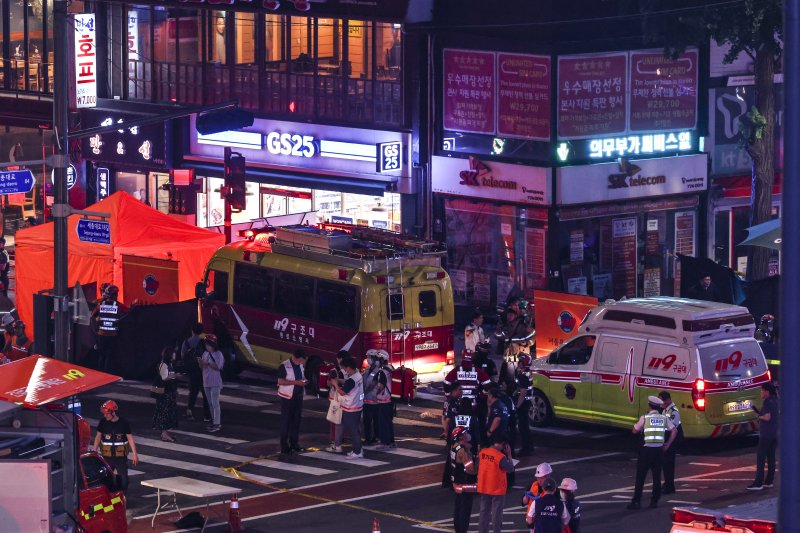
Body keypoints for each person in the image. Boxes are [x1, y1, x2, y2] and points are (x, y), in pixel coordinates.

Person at [627, 395, 677, 509]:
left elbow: (634, 431)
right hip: (659, 451)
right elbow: (674, 430)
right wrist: (668, 444)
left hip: (646, 451)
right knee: (657, 477)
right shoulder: (664, 418)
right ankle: (654, 501)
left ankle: (637, 501)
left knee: (640, 477)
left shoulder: (645, 418)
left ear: (649, 406)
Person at [93, 400, 138, 493]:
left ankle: (123, 498)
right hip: (106, 457)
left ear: (113, 412)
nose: (105, 416)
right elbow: (98, 436)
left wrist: (135, 454)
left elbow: (130, 437)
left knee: (123, 481)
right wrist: (94, 450)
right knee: (106, 480)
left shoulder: (123, 423)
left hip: (120, 458)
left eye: (107, 414)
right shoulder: (103, 422)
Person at [477, 433, 515, 533]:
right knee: (496, 514)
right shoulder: (500, 457)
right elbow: (510, 469)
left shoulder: (482, 452)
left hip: (484, 487)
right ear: (503, 444)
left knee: (484, 513)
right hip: (497, 489)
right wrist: (509, 454)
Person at [748, 382, 779, 490]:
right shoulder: (776, 400)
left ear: (767, 392)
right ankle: (769, 481)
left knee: (760, 458)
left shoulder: (767, 402)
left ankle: (758, 483)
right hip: (774, 433)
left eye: (762, 390)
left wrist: (758, 416)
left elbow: (767, 417)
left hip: (766, 434)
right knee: (771, 458)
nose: (761, 392)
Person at [91, 284, 128, 373]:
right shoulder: (118, 305)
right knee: (109, 356)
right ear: (115, 294)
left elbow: (92, 316)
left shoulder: (100, 304)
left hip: (101, 334)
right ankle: (108, 375)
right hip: (112, 335)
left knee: (101, 356)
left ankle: (100, 374)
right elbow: (127, 314)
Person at [278, 349, 307, 454]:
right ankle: (284, 446)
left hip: (298, 396)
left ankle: (294, 443)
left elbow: (301, 376)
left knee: (296, 421)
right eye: (301, 360)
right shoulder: (284, 366)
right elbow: (280, 381)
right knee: (286, 421)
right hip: (287, 397)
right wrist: (296, 383)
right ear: (296, 358)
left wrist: (303, 381)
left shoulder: (300, 365)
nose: (302, 363)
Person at [335, 357, 365, 459]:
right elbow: (348, 383)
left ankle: (357, 452)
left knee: (352, 430)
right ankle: (358, 449)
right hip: (357, 406)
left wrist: (335, 385)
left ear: (348, 367)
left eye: (345, 368)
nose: (345, 371)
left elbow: (343, 392)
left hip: (350, 408)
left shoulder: (352, 380)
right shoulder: (358, 375)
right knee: (356, 429)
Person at [450, 427, 478, 533]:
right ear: (461, 436)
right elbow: (470, 469)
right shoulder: (462, 451)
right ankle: (462, 530)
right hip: (465, 484)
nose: (467, 434)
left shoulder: (454, 447)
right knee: (465, 511)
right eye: (465, 433)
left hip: (457, 483)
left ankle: (458, 529)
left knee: (458, 508)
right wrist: (478, 466)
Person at [181, 323, 211, 423]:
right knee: (206, 393)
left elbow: (183, 355)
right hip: (204, 370)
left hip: (193, 370)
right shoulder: (205, 341)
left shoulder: (187, 341)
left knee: (193, 391)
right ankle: (207, 416)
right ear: (201, 330)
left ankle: (190, 411)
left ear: (192, 330)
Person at [152, 346, 179, 442]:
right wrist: (174, 376)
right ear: (170, 354)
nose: (175, 354)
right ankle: (164, 434)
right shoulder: (164, 365)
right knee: (165, 413)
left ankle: (166, 433)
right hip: (165, 394)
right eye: (173, 353)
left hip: (170, 393)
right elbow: (164, 378)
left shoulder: (170, 364)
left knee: (169, 413)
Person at [658, 390, 683, 494]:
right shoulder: (665, 410)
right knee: (665, 463)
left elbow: (673, 429)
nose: (661, 404)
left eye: (662, 401)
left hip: (672, 439)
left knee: (669, 463)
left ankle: (670, 486)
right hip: (667, 437)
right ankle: (667, 483)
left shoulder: (673, 411)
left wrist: (668, 443)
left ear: (668, 400)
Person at [199, 334, 224, 433]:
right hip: (206, 381)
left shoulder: (218, 354)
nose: (207, 347)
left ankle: (217, 424)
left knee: (215, 403)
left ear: (213, 345)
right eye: (206, 345)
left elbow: (218, 367)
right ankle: (213, 422)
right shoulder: (205, 353)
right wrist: (200, 363)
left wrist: (207, 363)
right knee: (210, 403)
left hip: (215, 382)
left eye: (208, 345)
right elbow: (202, 368)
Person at [326, 350, 347, 453]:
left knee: (334, 422)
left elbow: (328, 383)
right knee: (343, 422)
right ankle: (340, 440)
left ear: (340, 359)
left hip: (335, 399)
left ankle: (335, 443)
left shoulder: (335, 371)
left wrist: (334, 382)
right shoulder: (351, 370)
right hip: (347, 400)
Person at [515, 354, 534, 455]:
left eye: (520, 361)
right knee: (525, 426)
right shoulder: (527, 373)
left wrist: (517, 406)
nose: (518, 363)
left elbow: (523, 392)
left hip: (523, 404)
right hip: (527, 403)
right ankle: (530, 446)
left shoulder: (522, 375)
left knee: (523, 427)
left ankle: (526, 448)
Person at [375, 352, 395, 449]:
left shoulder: (382, 372)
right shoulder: (391, 368)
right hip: (391, 399)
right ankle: (391, 442)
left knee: (383, 422)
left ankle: (385, 443)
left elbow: (381, 386)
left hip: (384, 400)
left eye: (378, 359)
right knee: (389, 421)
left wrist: (376, 393)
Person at [362, 351, 382, 445]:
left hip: (374, 401)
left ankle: (376, 437)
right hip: (366, 401)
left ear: (374, 358)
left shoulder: (378, 370)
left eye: (369, 357)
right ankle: (368, 439)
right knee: (367, 422)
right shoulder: (367, 369)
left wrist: (364, 392)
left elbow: (373, 384)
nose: (368, 359)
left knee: (376, 422)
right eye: (367, 357)